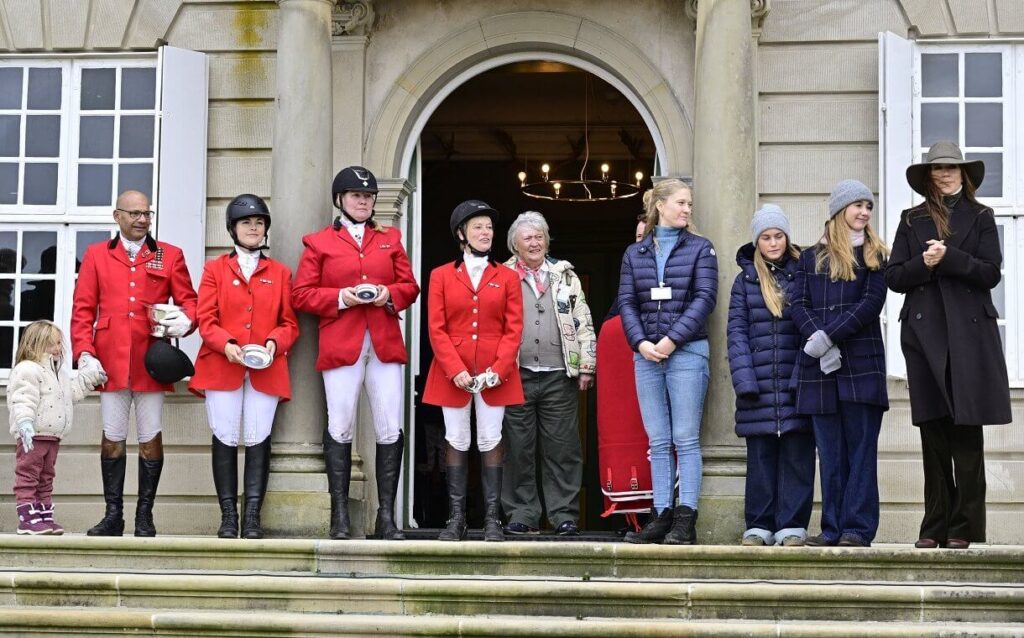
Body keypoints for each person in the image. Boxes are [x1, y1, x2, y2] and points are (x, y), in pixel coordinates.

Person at [885, 141, 1011, 550]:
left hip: (969, 337)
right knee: (933, 433)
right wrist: (925, 263)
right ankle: (934, 523)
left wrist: (949, 257)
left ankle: (965, 525)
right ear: (928, 176)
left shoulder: (982, 216)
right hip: (924, 336)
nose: (944, 174)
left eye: (951, 168)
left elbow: (990, 272)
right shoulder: (911, 219)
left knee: (966, 434)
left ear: (963, 174)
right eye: (937, 168)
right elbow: (895, 276)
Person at [292, 166, 420, 541]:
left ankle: (386, 517)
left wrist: (389, 295)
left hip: (383, 341)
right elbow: (301, 294)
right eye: (355, 196)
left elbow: (409, 286)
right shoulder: (318, 243)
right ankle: (340, 516)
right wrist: (341, 298)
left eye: (367, 197)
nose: (362, 201)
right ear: (340, 200)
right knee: (341, 424)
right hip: (342, 342)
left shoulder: (390, 239)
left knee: (388, 425)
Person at [71, 190, 198, 537]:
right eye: (135, 213)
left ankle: (145, 515)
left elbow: (190, 302)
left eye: (147, 213)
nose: (142, 219)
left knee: (150, 436)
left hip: (150, 360)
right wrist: (84, 351)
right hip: (109, 358)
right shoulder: (97, 255)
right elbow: (83, 309)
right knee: (112, 437)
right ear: (117, 216)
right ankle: (114, 515)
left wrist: (185, 322)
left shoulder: (169, 255)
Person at [189, 195, 299, 539]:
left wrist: (274, 343)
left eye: (259, 223)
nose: (253, 228)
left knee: (258, 437)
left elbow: (290, 323)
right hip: (223, 364)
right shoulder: (215, 269)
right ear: (233, 229)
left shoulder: (280, 272)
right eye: (246, 223)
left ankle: (252, 516)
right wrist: (228, 345)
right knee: (224, 435)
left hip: (265, 367)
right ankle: (228, 515)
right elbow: (205, 319)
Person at [617, 179, 718, 545]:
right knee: (657, 440)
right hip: (646, 356)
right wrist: (640, 342)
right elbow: (627, 302)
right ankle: (660, 515)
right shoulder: (635, 252)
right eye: (681, 203)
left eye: (690, 204)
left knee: (685, 438)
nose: (687, 210)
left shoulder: (701, 249)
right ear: (660, 205)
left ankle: (685, 518)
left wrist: (672, 339)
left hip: (687, 353)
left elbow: (705, 298)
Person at [791, 179, 889, 547]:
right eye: (857, 205)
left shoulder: (876, 255)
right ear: (838, 210)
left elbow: (870, 305)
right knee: (829, 454)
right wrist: (818, 339)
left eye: (868, 206)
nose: (864, 212)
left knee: (861, 451)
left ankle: (857, 528)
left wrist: (828, 337)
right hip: (820, 370)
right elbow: (797, 304)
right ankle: (831, 527)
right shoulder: (808, 257)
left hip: (862, 365)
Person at [423, 200, 524, 542]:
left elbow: (514, 329)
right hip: (454, 370)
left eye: (489, 227)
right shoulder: (440, 275)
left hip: (495, 372)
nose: (486, 233)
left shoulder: (508, 276)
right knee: (457, 439)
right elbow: (436, 328)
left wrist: (499, 369)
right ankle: (456, 519)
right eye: (478, 227)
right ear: (461, 234)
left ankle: (492, 519)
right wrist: (454, 370)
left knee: (490, 439)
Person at [500, 211, 596, 536]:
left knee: (563, 447)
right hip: (514, 375)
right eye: (528, 237)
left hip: (559, 374)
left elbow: (583, 320)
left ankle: (563, 515)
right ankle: (521, 514)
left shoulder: (565, 275)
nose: (535, 242)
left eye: (539, 236)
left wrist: (586, 365)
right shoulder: (501, 275)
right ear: (515, 244)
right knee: (518, 448)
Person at [727, 205, 814, 547]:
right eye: (766, 237)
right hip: (758, 388)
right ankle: (759, 525)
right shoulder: (744, 281)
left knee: (797, 456)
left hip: (798, 384)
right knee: (761, 459)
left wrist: (801, 377)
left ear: (787, 237)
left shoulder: (803, 274)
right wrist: (745, 382)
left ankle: (792, 524)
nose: (773, 242)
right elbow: (737, 334)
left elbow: (809, 329)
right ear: (757, 241)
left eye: (779, 236)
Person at [8, 321, 105, 534]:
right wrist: (24, 422)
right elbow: (23, 398)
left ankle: (42, 514)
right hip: (34, 435)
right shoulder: (28, 370)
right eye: (53, 344)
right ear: (37, 344)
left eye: (59, 343)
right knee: (28, 475)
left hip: (53, 436)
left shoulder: (58, 372)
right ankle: (27, 518)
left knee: (46, 477)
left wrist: (89, 380)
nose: (58, 348)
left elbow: (70, 394)